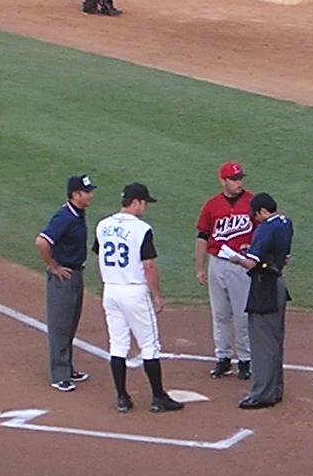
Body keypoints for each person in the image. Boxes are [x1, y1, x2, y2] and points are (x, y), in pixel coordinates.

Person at [93, 183, 184, 414]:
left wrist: (108, 280)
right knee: (150, 345)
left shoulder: (103, 225)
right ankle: (158, 398)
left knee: (118, 344)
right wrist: (157, 296)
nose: (146, 208)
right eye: (144, 203)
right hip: (134, 291)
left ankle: (122, 398)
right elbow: (149, 266)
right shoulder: (142, 229)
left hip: (111, 290)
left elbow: (99, 255)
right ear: (136, 202)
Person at [230, 193, 294, 410]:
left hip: (264, 288)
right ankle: (274, 390)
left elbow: (251, 264)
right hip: (277, 285)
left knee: (262, 343)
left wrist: (237, 259)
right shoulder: (286, 222)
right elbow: (282, 256)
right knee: (274, 341)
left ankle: (262, 394)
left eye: (255, 214)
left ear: (263, 211)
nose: (254, 218)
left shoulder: (266, 228)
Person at [195, 161, 256, 381]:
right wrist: (200, 267)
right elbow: (202, 237)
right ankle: (223, 358)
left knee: (242, 314)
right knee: (220, 314)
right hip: (217, 264)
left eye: (240, 178)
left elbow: (263, 231)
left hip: (241, 265)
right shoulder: (212, 205)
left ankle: (246, 360)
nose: (239, 182)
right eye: (234, 179)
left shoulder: (252, 202)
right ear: (223, 181)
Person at [36, 174, 96, 392]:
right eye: (87, 192)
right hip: (63, 278)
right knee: (60, 325)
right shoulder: (64, 217)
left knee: (70, 323)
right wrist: (54, 267)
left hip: (75, 274)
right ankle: (59, 374)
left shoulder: (78, 214)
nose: (91, 195)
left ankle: (67, 367)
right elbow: (42, 241)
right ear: (75, 194)